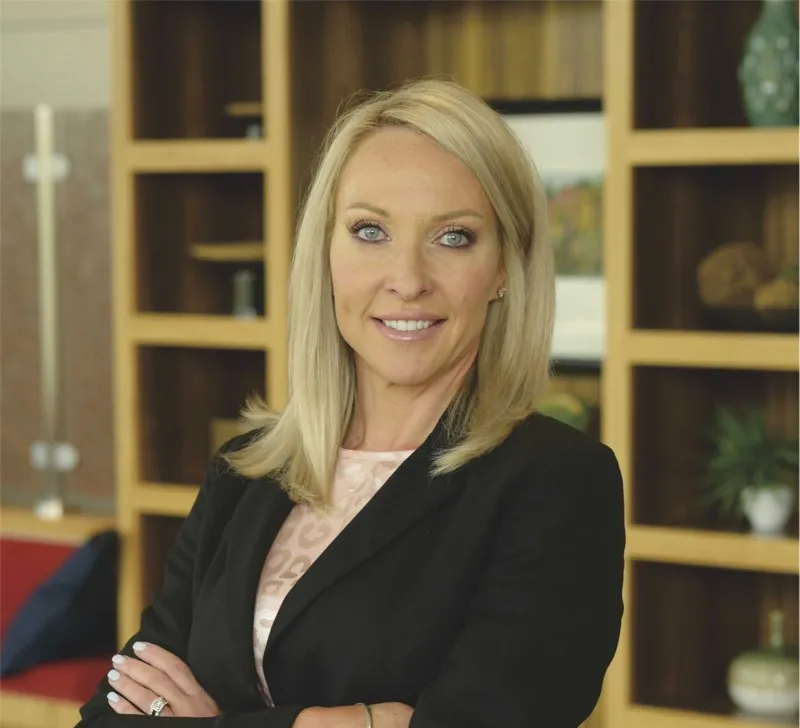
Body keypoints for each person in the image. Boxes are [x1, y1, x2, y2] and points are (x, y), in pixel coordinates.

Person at [76, 78, 625, 728]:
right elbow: (111, 713)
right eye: (370, 231)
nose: (408, 279)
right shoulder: (243, 470)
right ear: (326, 253)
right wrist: (325, 723)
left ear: (504, 267)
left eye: (453, 238)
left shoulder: (558, 484)